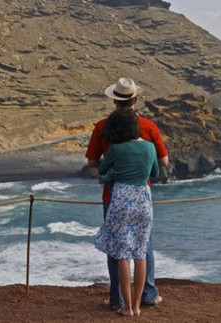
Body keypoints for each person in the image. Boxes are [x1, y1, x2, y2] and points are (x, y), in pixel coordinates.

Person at [86, 77, 168, 310]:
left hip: (113, 197)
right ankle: (148, 295)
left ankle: (118, 299)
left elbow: (93, 163)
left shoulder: (103, 127)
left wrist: (112, 169)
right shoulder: (148, 127)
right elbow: (162, 162)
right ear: (136, 99)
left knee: (116, 247)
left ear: (114, 101)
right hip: (142, 195)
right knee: (144, 247)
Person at [94, 108, 160, 316]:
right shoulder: (149, 147)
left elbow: (103, 170)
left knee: (122, 254)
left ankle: (127, 307)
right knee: (140, 253)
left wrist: (114, 173)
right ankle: (139, 306)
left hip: (121, 199)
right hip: (143, 200)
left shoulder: (116, 149)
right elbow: (155, 172)